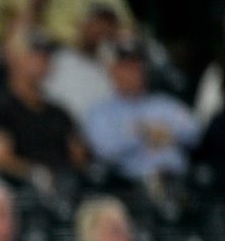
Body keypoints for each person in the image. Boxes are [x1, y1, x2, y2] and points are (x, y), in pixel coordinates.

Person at [0, 31, 86, 186]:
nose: (43, 60)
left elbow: (79, 157)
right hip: (17, 191)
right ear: (14, 58)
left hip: (62, 191)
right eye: (35, 53)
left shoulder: (59, 112)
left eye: (46, 55)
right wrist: (36, 174)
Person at [84, 40, 199, 183]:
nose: (135, 73)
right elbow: (105, 149)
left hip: (178, 179)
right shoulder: (101, 112)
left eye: (138, 66)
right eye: (127, 67)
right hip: (131, 184)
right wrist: (145, 133)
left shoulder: (164, 104)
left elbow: (194, 133)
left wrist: (166, 133)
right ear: (113, 72)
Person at [42, 3, 121, 128]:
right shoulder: (58, 59)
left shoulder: (115, 69)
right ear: (82, 25)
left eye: (108, 25)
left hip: (102, 137)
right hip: (59, 132)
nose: (101, 29)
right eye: (96, 23)